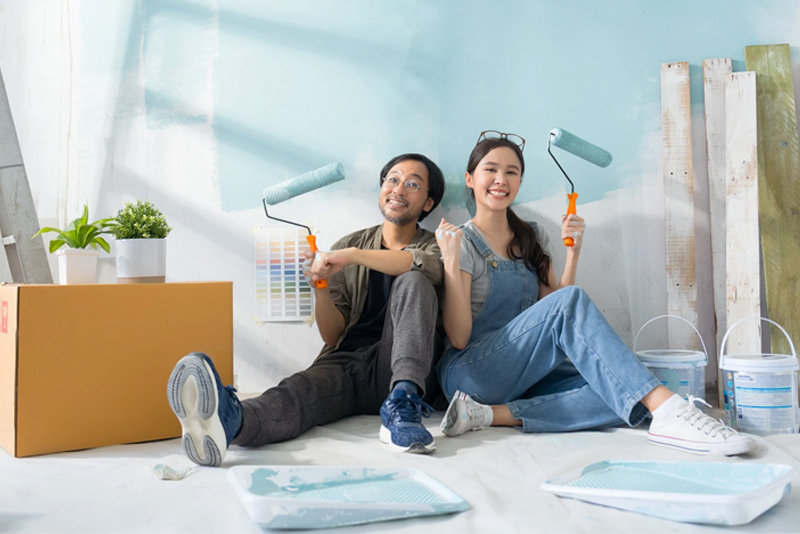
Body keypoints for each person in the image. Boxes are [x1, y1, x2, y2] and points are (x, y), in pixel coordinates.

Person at [434, 131, 755, 456]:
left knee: (619, 390)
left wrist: (574, 252)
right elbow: (459, 338)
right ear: (470, 179)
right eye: (490, 169)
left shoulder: (530, 236)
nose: (500, 179)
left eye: (511, 171)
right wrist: (450, 261)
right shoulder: (461, 241)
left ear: (519, 181)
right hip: (471, 374)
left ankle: (488, 415)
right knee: (630, 385)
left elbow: (554, 311)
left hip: (524, 374)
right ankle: (671, 412)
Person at [167, 153, 446, 466]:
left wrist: (353, 256)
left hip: (399, 370)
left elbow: (418, 264)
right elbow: (333, 335)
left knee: (414, 280)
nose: (398, 189)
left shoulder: (435, 245)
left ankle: (403, 406)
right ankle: (231, 421)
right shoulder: (351, 241)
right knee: (298, 390)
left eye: (412, 184)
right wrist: (321, 288)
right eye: (392, 179)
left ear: (428, 203)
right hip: (349, 364)